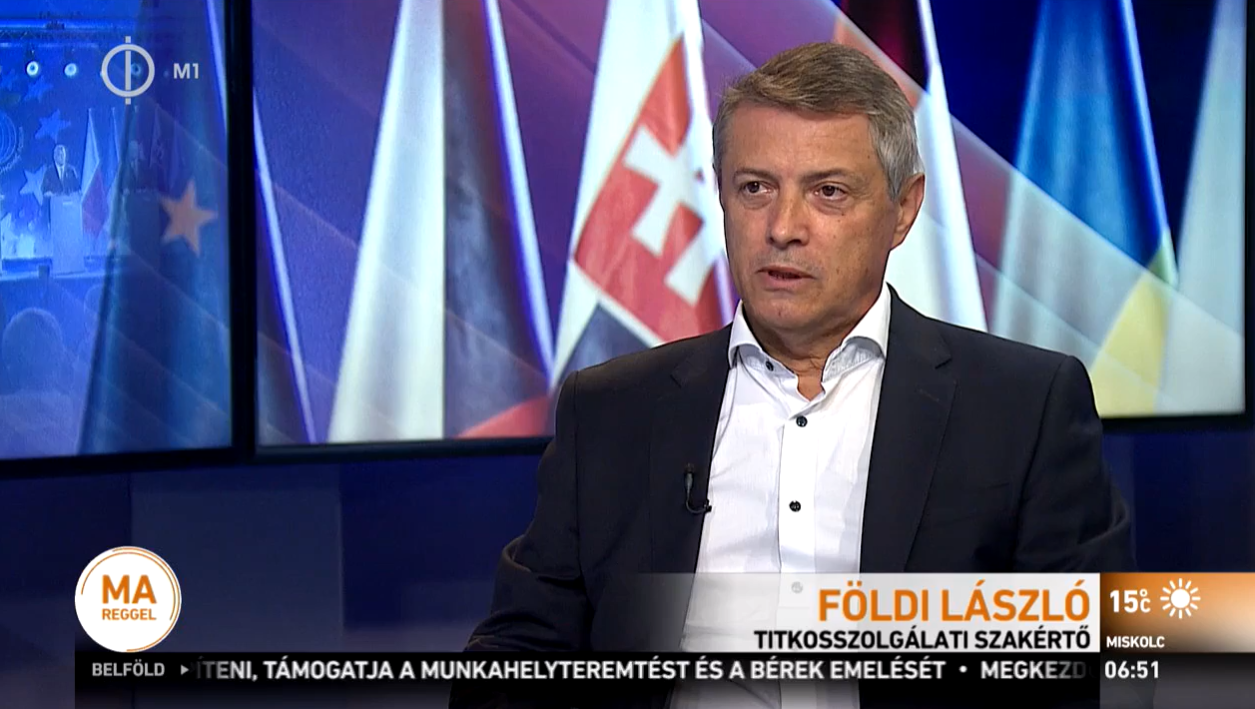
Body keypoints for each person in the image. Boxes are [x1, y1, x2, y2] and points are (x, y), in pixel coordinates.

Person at [453, 42, 1134, 709]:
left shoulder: (1023, 407)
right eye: (755, 188)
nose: (782, 227)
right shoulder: (611, 411)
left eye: (827, 192)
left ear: (902, 209)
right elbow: (519, 652)